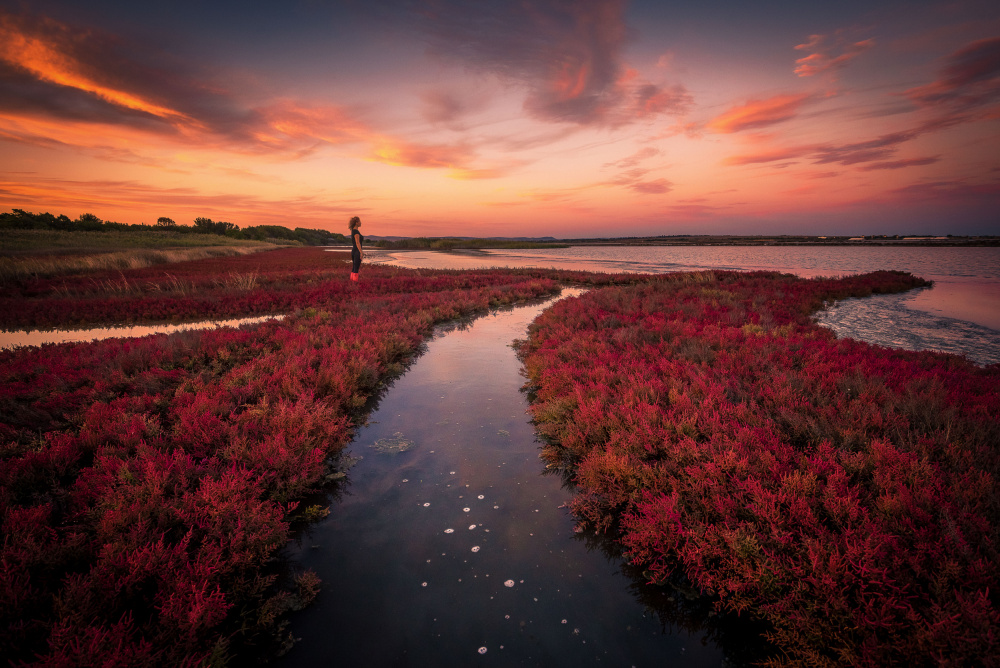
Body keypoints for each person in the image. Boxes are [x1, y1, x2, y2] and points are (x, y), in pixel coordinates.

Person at [348, 216, 364, 282]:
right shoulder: (356, 232)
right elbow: (358, 243)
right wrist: (361, 252)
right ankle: (355, 284)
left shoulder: (353, 231)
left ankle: (351, 282)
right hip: (357, 252)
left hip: (353, 251)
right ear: (356, 223)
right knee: (356, 268)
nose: (361, 223)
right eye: (359, 221)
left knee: (354, 267)